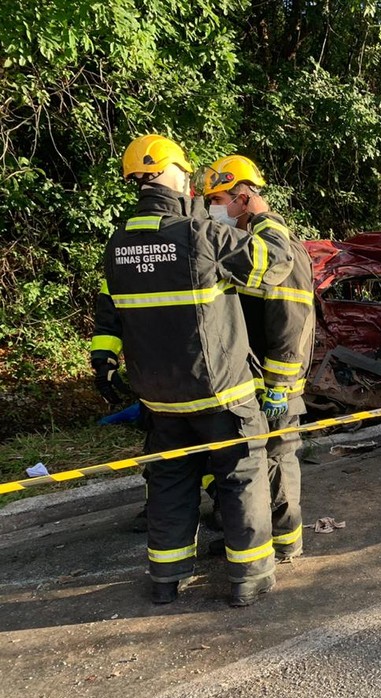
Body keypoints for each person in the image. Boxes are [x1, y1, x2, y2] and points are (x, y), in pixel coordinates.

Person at [90, 134, 293, 607]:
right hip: (221, 390)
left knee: (170, 482)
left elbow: (109, 314)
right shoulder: (202, 237)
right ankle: (249, 578)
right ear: (170, 174)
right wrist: (262, 218)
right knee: (242, 475)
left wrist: (103, 362)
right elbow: (276, 264)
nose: (193, 184)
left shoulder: (117, 246)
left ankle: (165, 578)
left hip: (160, 398)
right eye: (186, 173)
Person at [202, 155, 314, 561]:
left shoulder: (279, 249)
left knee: (278, 458)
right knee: (255, 461)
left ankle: (286, 544)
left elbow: (291, 319)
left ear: (244, 199)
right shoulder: (249, 248)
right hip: (251, 379)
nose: (214, 209)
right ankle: (258, 537)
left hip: (275, 381)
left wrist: (280, 386)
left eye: (219, 199)